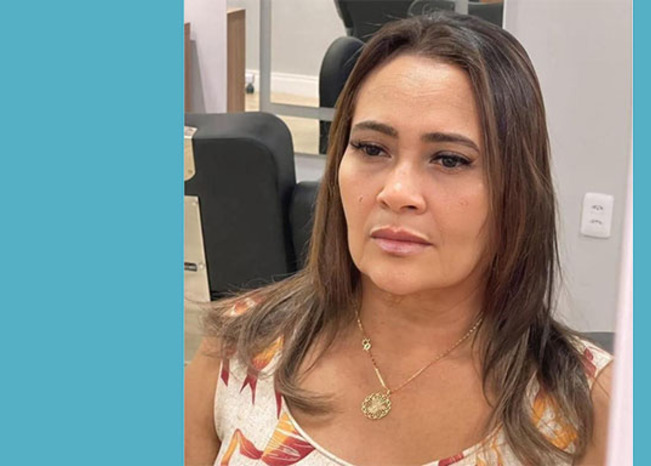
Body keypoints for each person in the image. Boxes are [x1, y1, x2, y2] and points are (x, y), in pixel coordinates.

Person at [186, 12, 613, 466]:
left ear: (516, 190)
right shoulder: (236, 347)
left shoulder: (590, 409)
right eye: (371, 148)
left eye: (449, 159)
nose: (397, 192)